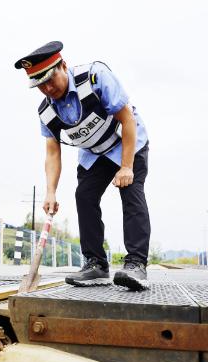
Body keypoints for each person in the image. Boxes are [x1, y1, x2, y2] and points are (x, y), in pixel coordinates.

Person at [14, 41, 150, 290]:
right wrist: (51, 192)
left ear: (63, 65)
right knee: (84, 196)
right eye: (39, 85)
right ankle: (96, 264)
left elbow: (127, 119)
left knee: (131, 192)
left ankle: (136, 265)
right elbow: (53, 153)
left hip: (126, 141)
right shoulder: (46, 112)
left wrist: (127, 166)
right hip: (94, 152)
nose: (47, 88)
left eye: (50, 79)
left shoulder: (95, 78)